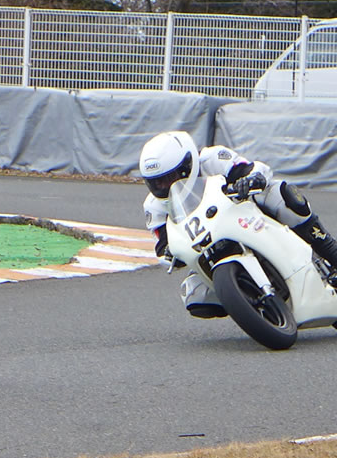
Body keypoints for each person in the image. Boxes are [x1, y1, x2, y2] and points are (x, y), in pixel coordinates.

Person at [139, 130, 337, 318]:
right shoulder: (154, 206)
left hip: (245, 216)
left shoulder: (212, 159)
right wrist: (170, 254)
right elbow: (162, 247)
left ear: (187, 166)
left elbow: (257, 169)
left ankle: (326, 245)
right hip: (208, 247)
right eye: (157, 183)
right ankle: (252, 302)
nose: (165, 186)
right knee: (195, 296)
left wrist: (251, 180)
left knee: (281, 195)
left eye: (170, 178)